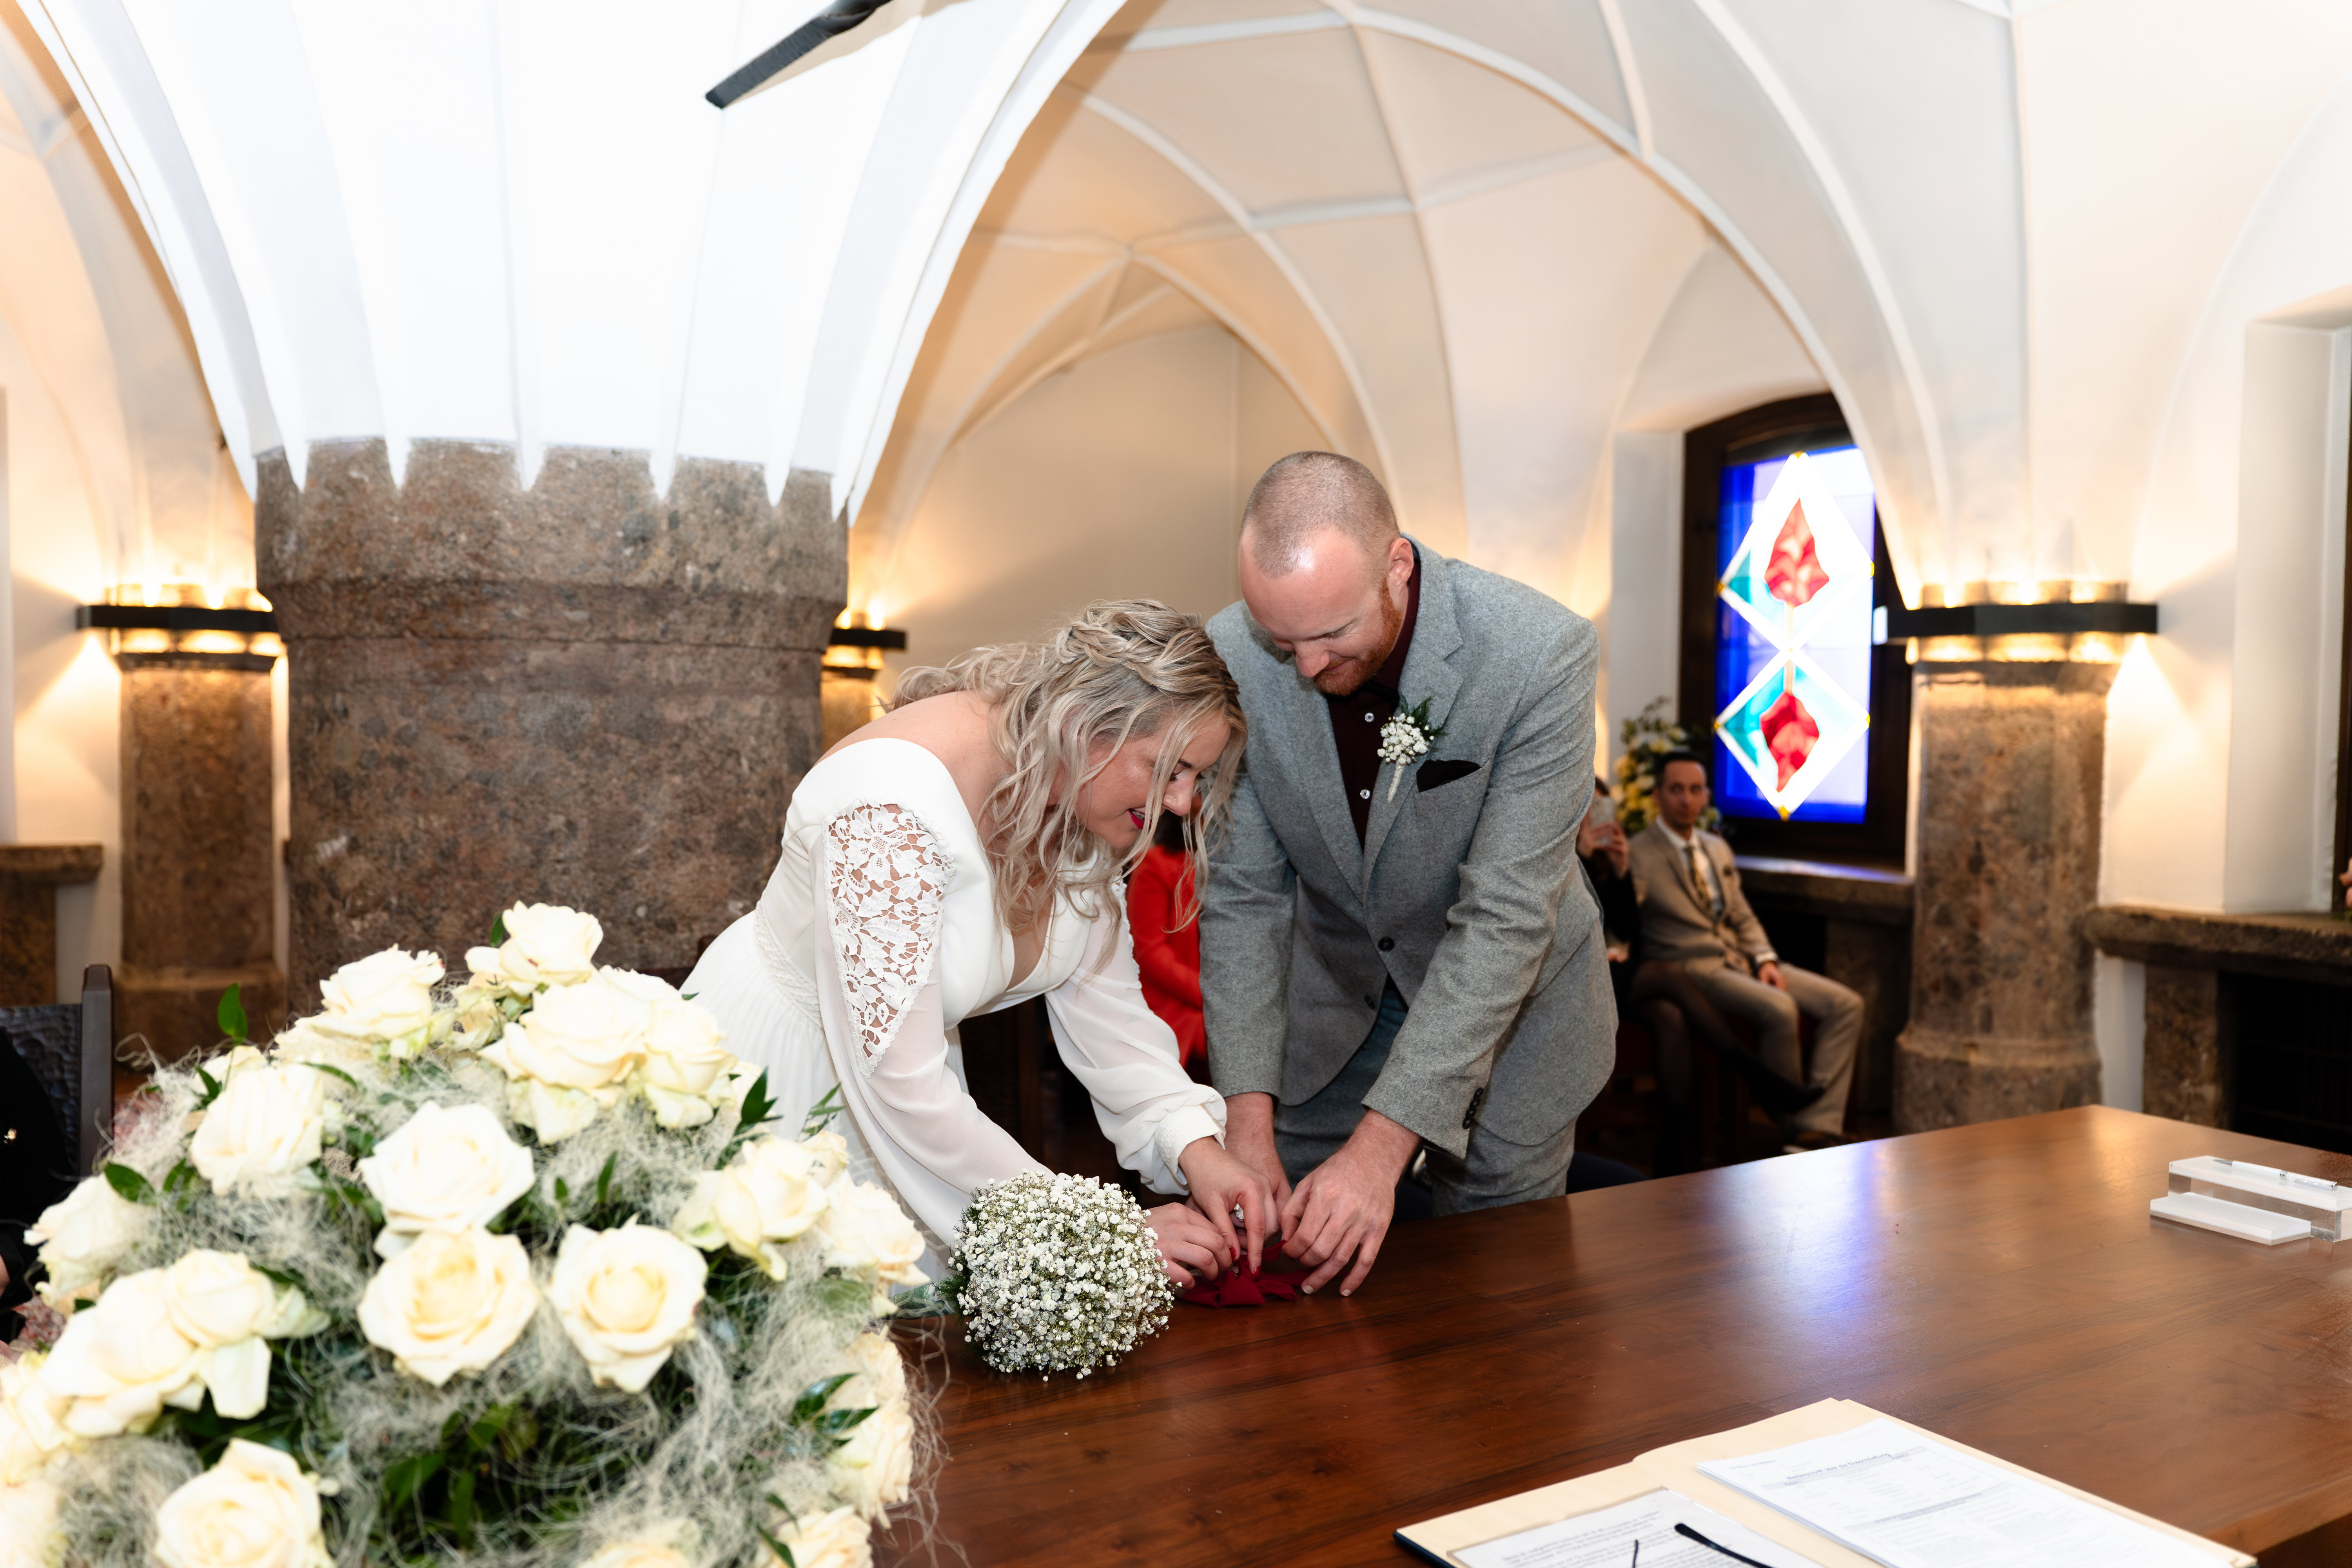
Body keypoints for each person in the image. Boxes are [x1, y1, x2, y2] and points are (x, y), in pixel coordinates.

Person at [685, 601, 1278, 1288]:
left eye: (1196, 777)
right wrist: (1096, 1232)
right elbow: (898, 1084)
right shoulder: (891, 814)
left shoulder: (1080, 795)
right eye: (1168, 769)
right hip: (784, 1086)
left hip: (928, 1102)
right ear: (1091, 728)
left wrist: (1199, 1149)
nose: (1182, 803)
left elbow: (1111, 1018)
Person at [1200, 452, 1616, 1298]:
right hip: (1331, 1009)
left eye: (1330, 635)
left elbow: (1506, 916)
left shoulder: (1540, 654)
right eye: (1283, 640)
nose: (1307, 666)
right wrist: (1245, 1115)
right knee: (1297, 1273)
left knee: (1499, 1292)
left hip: (1511, 1018)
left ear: (1397, 565)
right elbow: (1243, 896)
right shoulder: (1232, 655)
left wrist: (1386, 1145)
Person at [1628, 751, 1861, 1151]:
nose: (1687, 799)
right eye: (1677, 790)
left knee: (1846, 1004)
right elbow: (1624, 915)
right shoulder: (1637, 852)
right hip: (1692, 968)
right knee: (1780, 1007)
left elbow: (1742, 915)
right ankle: (1791, 1126)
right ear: (1658, 796)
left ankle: (1815, 1124)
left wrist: (1765, 959)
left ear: (1706, 796)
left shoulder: (1716, 848)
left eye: (1695, 790)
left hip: (1739, 958)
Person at [1127, 809, 1208, 1079]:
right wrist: (1208, 994)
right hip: (1178, 1011)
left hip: (1224, 1008)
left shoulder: (1232, 865)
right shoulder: (1155, 864)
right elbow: (1150, 951)